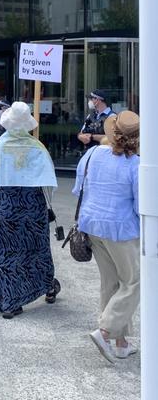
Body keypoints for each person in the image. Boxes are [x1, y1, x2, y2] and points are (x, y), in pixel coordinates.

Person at [0, 102, 61, 319]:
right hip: (33, 207)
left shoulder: (0, 146)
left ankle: (4, 299)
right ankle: (43, 285)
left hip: (7, 206)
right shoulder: (37, 147)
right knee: (37, 250)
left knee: (4, 252)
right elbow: (48, 183)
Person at [74, 111, 140, 363]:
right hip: (120, 229)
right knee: (133, 282)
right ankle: (105, 331)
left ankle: (121, 343)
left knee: (110, 283)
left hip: (92, 224)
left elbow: (79, 187)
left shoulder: (92, 154)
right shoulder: (135, 164)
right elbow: (139, 205)